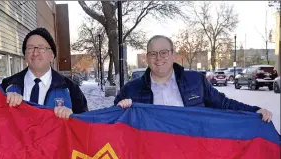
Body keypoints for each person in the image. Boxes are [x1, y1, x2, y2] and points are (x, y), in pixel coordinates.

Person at [115, 35, 273, 122]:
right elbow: (112, 121)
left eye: (163, 52)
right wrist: (121, 108)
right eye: (153, 53)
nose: (158, 58)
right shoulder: (131, 89)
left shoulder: (196, 81)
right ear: (147, 58)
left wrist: (255, 111)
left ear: (173, 54)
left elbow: (224, 104)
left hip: (193, 158)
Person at [1, 27, 88, 119]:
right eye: (30, 48)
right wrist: (3, 103)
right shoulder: (7, 85)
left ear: (51, 56)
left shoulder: (71, 89)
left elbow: (85, 127)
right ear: (25, 55)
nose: (35, 53)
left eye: (41, 48)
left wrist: (73, 117)